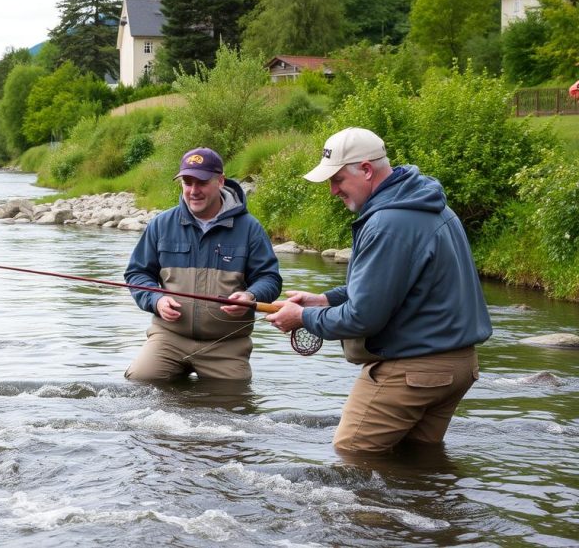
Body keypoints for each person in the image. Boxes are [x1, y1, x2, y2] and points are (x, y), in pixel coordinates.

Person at [265, 127, 492, 453]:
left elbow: (362, 318)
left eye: (338, 179)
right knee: (416, 465)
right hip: (458, 366)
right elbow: (394, 285)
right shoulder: (427, 204)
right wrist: (325, 299)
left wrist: (303, 317)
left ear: (367, 170)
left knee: (352, 454)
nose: (332, 190)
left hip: (414, 370)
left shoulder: (389, 222)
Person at [124, 148, 282, 382]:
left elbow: (270, 279)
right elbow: (137, 274)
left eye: (202, 183)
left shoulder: (250, 229)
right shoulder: (161, 224)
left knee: (234, 407)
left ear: (220, 181)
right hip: (169, 338)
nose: (194, 191)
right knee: (140, 383)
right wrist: (156, 300)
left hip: (227, 344)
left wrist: (250, 296)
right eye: (187, 183)